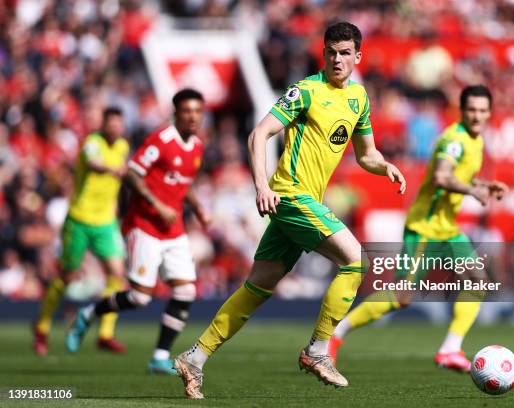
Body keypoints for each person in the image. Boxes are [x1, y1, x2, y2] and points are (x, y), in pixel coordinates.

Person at [173, 22, 406, 399]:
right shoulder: (306, 91)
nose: (337, 59)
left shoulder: (359, 99)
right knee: (357, 261)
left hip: (303, 202)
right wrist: (262, 185)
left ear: (357, 57)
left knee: (257, 288)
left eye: (345, 53)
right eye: (331, 52)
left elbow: (366, 154)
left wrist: (386, 167)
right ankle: (318, 350)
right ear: (323, 53)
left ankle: (195, 358)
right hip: (290, 195)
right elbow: (259, 134)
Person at [329, 85, 508, 373]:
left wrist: (484, 186)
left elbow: (458, 177)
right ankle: (335, 334)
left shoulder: (477, 141)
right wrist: (472, 191)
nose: (477, 116)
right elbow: (441, 176)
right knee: (402, 296)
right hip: (424, 227)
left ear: (489, 113)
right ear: (461, 111)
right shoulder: (455, 140)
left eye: (482, 110)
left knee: (478, 279)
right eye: (472, 110)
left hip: (446, 228)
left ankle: (451, 348)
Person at [65, 89, 210, 375]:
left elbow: (183, 183)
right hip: (144, 225)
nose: (193, 117)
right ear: (176, 113)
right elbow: (132, 173)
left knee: (186, 290)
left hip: (174, 228)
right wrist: (157, 204)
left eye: (197, 111)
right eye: (187, 111)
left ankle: (159, 356)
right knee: (140, 298)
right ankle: (89, 313)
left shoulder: (197, 146)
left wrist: (199, 208)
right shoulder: (161, 140)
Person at [33, 107, 129, 356]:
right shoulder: (92, 143)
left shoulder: (122, 147)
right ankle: (42, 326)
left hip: (105, 222)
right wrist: (112, 169)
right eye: (112, 123)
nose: (116, 128)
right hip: (79, 220)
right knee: (68, 276)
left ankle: (105, 334)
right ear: (104, 124)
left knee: (117, 274)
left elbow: (115, 186)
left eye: (119, 124)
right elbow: (93, 163)